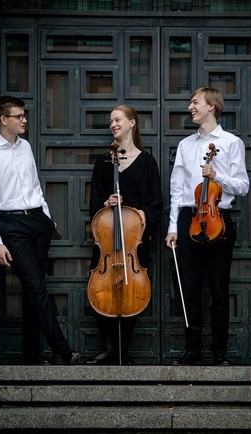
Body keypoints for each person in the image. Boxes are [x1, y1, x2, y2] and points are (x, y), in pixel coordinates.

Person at [0, 95, 80, 365]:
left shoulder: (25, 147)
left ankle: (32, 355)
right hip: (11, 226)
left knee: (32, 289)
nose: (24, 120)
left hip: (37, 222)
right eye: (18, 116)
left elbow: (34, 185)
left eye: (24, 116)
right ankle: (63, 349)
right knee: (35, 286)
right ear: (4, 120)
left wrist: (46, 218)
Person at [165, 87, 249, 366]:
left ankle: (219, 352)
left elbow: (243, 186)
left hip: (219, 221)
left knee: (218, 290)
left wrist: (217, 175)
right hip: (189, 219)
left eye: (195, 102)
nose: (190, 107)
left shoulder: (231, 142)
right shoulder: (186, 145)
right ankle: (192, 350)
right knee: (189, 289)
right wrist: (172, 226)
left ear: (211, 106)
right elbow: (177, 189)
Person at [87, 104, 163, 365]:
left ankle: (123, 350)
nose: (113, 124)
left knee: (134, 291)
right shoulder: (103, 162)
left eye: (117, 120)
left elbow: (156, 205)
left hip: (133, 239)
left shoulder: (147, 161)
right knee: (99, 288)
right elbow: (93, 203)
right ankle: (109, 348)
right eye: (110, 121)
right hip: (107, 238)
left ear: (132, 123)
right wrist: (106, 203)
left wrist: (143, 213)